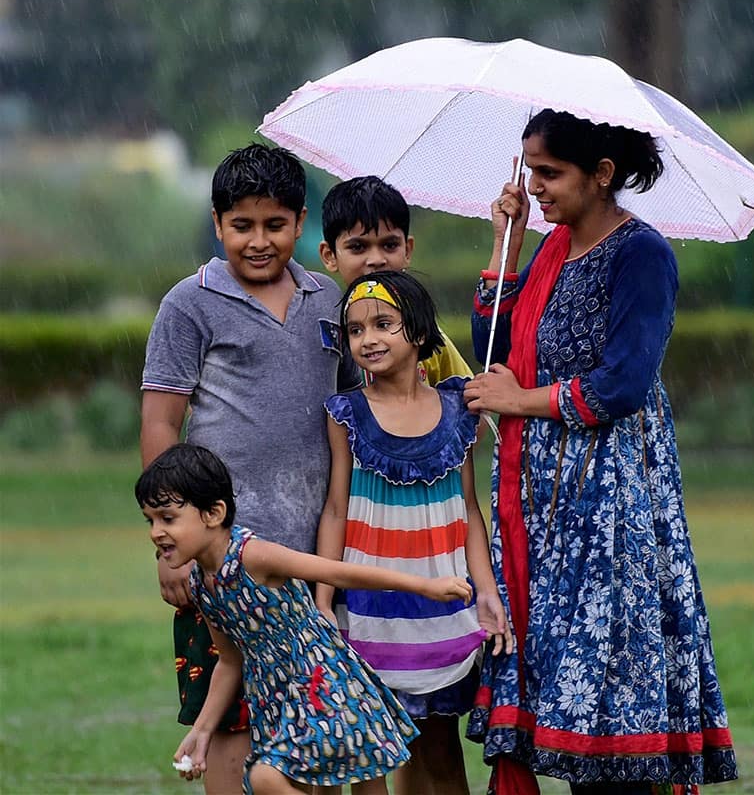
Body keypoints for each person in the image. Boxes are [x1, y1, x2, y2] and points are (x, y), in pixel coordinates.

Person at [462, 109, 738, 795]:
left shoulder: (641, 253)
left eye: (549, 172)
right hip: (547, 503)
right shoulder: (551, 249)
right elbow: (496, 351)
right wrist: (507, 241)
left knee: (612, 704)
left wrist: (520, 402)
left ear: (602, 174)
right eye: (530, 169)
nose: (534, 185)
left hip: (612, 502)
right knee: (570, 691)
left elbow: (624, 381)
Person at [140, 143, 359, 794]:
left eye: (275, 225)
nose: (258, 241)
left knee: (311, 726)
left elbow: (356, 409)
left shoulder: (331, 303)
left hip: (310, 562)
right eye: (242, 226)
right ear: (217, 223)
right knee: (231, 728)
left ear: (300, 222)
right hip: (218, 562)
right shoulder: (190, 303)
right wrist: (170, 544)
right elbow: (161, 424)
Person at [136, 444, 476, 793]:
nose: (155, 532)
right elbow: (229, 660)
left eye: (167, 518)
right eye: (150, 520)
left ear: (214, 513)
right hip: (276, 700)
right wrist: (201, 730)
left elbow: (338, 573)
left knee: (271, 777)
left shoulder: (254, 556)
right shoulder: (202, 585)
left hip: (323, 683)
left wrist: (425, 586)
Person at [316, 270, 512, 795]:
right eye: (355, 330)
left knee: (442, 752)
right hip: (369, 611)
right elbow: (336, 510)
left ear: (421, 332)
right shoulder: (347, 414)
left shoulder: (457, 411)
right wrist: (323, 601)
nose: (368, 339)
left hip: (445, 608)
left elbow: (469, 510)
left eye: (383, 323)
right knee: (370, 758)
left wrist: (487, 593)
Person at [319, 175, 472, 386]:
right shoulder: (323, 334)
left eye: (389, 245)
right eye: (358, 247)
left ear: (407, 250)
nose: (376, 260)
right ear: (329, 256)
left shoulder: (424, 335)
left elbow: (469, 402)